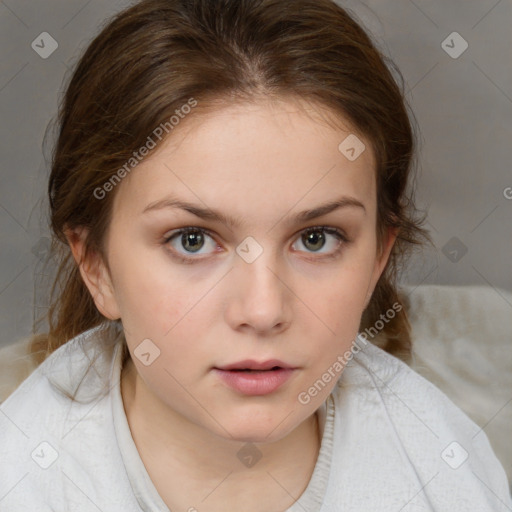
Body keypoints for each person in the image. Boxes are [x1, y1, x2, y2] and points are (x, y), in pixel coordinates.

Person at [1, 0, 510, 510]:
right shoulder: (24, 478)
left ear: (378, 257)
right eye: (192, 240)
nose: (263, 310)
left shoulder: (445, 473)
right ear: (96, 266)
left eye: (317, 238)